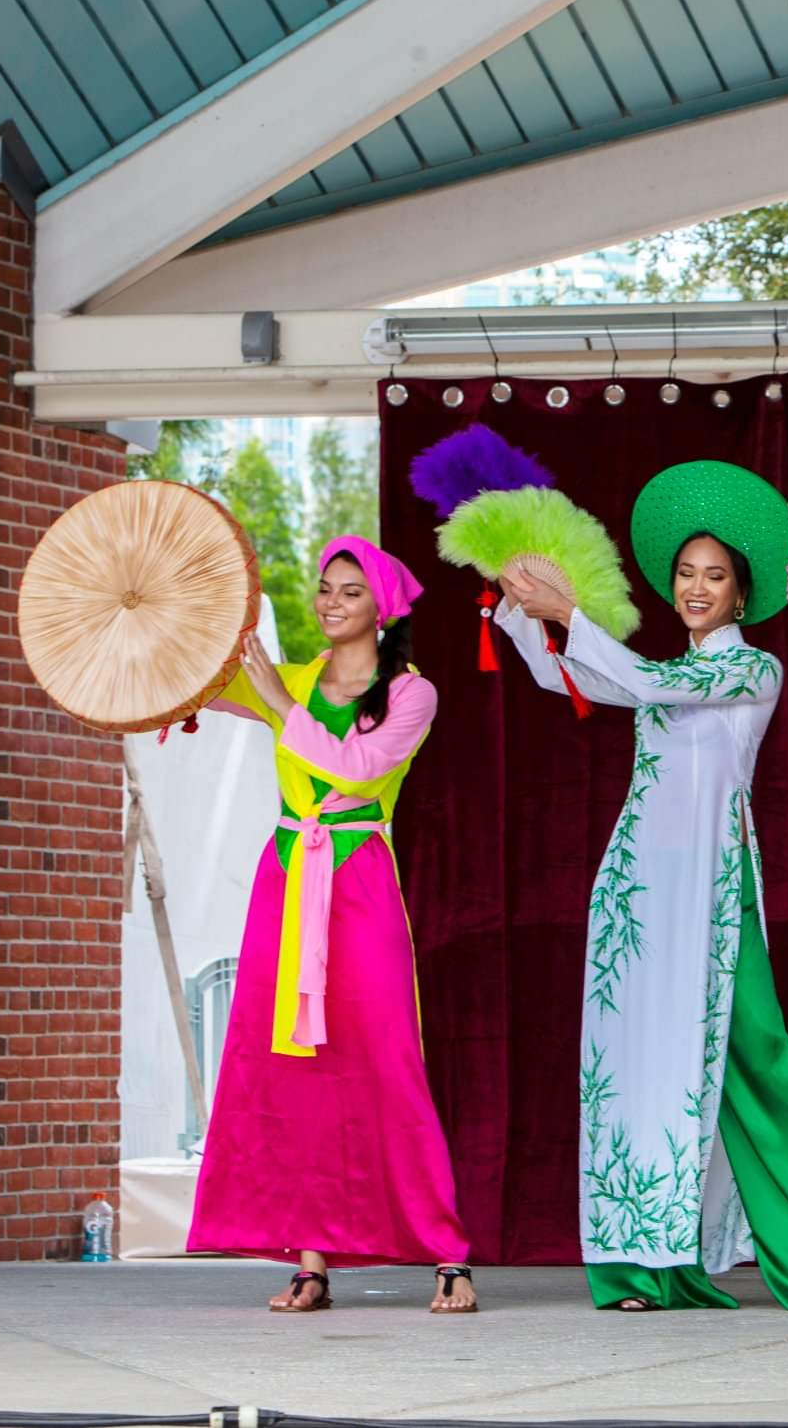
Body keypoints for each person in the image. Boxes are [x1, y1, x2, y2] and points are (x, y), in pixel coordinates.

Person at [496, 461, 788, 1313]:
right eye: (687, 575)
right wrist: (523, 611)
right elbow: (585, 678)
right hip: (639, 895)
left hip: (713, 890)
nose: (697, 588)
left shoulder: (751, 671)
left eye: (716, 578)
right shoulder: (659, 672)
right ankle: (639, 1269)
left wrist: (573, 615)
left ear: (742, 596)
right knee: (636, 1064)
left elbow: (644, 681)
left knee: (763, 1066)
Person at [187, 537, 477, 1316]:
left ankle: (447, 1253)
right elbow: (195, 685)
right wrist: (162, 670)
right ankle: (310, 1261)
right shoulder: (297, 679)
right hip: (286, 881)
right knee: (294, 1066)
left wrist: (278, 706)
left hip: (356, 877)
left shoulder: (412, 694)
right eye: (323, 589)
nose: (329, 602)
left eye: (348, 592)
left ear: (381, 609)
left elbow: (356, 768)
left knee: (385, 1057)